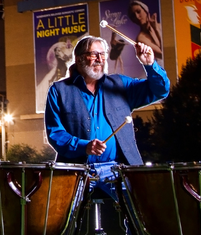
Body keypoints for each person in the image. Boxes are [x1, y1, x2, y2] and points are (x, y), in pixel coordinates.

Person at [45, 35, 170, 231]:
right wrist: (83, 146)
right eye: (93, 54)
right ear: (78, 59)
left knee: (143, 215)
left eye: (102, 54)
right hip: (76, 171)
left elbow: (160, 91)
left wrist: (150, 64)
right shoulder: (59, 90)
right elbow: (55, 133)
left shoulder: (120, 84)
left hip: (117, 169)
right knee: (60, 222)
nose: (100, 59)